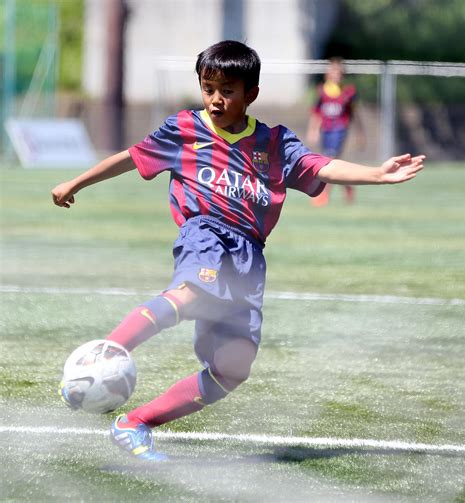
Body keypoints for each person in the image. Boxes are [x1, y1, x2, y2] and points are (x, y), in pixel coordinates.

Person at [51, 40, 424, 462]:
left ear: (251, 94)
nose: (215, 99)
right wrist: (75, 183)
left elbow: (320, 166)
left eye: (227, 90)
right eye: (208, 88)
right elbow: (130, 158)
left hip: (250, 255)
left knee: (233, 368)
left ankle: (134, 424)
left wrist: (377, 173)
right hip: (205, 233)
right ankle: (101, 358)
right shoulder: (184, 131)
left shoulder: (274, 143)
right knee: (194, 292)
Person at [306, 57, 364, 206]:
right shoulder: (322, 91)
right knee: (332, 162)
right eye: (333, 72)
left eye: (338, 73)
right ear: (328, 74)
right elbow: (316, 112)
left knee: (329, 160)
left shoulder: (348, 92)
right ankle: (348, 185)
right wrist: (313, 130)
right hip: (326, 130)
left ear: (342, 75)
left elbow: (355, 113)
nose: (336, 76)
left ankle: (323, 194)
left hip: (340, 129)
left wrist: (360, 133)